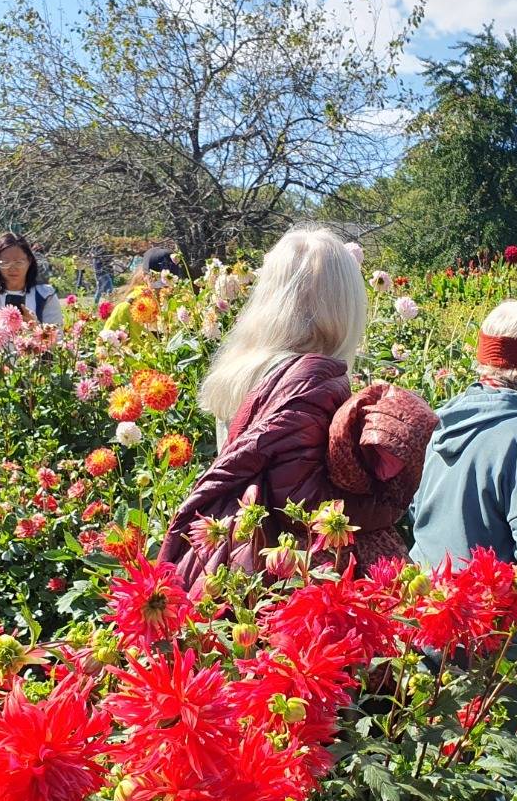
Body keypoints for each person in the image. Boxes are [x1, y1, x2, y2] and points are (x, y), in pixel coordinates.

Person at [159, 224, 424, 588]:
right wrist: (387, 505)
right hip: (293, 576)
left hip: (244, 562)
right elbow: (302, 504)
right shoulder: (311, 378)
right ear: (342, 303)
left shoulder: (243, 367)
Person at [409, 300, 517, 671]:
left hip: (431, 613)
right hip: (495, 627)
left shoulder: (441, 423)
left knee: (435, 724)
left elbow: (417, 511)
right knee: (502, 727)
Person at [0, 232, 63, 335]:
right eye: (5, 262)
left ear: (29, 261)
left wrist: (35, 328)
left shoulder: (45, 295)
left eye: (19, 262)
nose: (12, 268)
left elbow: (58, 340)